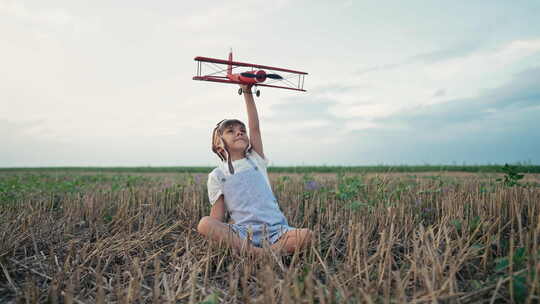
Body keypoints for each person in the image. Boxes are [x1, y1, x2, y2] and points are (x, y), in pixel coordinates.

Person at [197, 84, 313, 256]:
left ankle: (258, 255)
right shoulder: (217, 175)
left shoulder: (255, 159)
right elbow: (217, 217)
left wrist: (247, 91)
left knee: (307, 236)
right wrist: (218, 232)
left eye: (242, 130)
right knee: (205, 224)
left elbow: (255, 128)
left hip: (276, 231)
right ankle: (262, 252)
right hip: (245, 233)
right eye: (231, 131)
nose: (239, 133)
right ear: (218, 145)